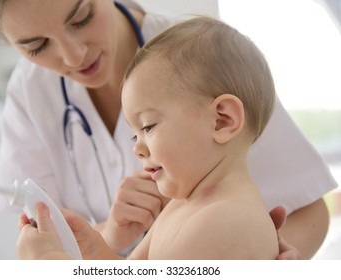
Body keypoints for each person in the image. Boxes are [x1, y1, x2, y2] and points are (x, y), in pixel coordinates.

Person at [0, 0, 337, 259]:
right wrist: (103, 241)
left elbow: (309, 208)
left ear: (222, 119)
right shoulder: (28, 92)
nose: (73, 54)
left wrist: (265, 262)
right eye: (36, 46)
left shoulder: (204, 58)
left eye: (81, 17)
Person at [17, 16, 284, 259]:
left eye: (148, 126)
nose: (138, 149)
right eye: (135, 136)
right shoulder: (182, 207)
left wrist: (49, 262)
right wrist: (94, 248)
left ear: (222, 120)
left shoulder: (221, 222)